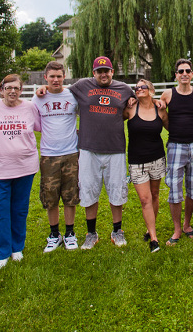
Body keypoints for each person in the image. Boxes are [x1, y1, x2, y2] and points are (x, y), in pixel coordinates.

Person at [65, 56, 136, 249]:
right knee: (88, 190)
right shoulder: (82, 85)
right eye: (99, 71)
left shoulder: (124, 89)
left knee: (117, 190)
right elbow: (60, 93)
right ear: (93, 72)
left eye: (106, 71)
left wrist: (137, 99)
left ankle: (117, 231)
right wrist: (44, 89)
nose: (103, 74)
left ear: (112, 72)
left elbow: (141, 100)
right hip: (88, 148)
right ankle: (91, 233)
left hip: (115, 148)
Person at [0, 74, 41, 269]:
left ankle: (17, 248)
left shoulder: (30, 108)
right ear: (1, 90)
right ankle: (2, 253)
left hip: (24, 167)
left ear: (21, 90)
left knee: (19, 209)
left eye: (16, 88)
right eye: (8, 88)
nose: (12, 91)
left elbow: (40, 127)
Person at [159, 58, 193, 246]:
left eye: (187, 71)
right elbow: (160, 113)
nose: (184, 74)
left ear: (192, 74)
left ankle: (187, 225)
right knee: (175, 190)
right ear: (176, 75)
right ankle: (176, 229)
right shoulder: (167, 94)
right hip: (175, 146)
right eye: (181, 71)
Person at [32, 61, 80, 253]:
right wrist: (40, 90)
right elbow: (34, 123)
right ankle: (54, 234)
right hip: (49, 154)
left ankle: (69, 233)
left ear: (64, 77)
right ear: (45, 77)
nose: (55, 80)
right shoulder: (38, 98)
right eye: (52, 76)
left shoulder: (73, 96)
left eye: (59, 76)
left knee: (70, 195)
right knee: (50, 196)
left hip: (71, 153)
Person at [124, 79, 169, 253]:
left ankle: (150, 230)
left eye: (142, 86)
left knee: (155, 195)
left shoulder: (160, 109)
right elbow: (111, 119)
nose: (138, 89)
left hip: (157, 158)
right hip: (137, 161)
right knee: (145, 199)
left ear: (151, 90)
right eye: (136, 88)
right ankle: (154, 239)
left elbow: (172, 128)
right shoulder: (130, 108)